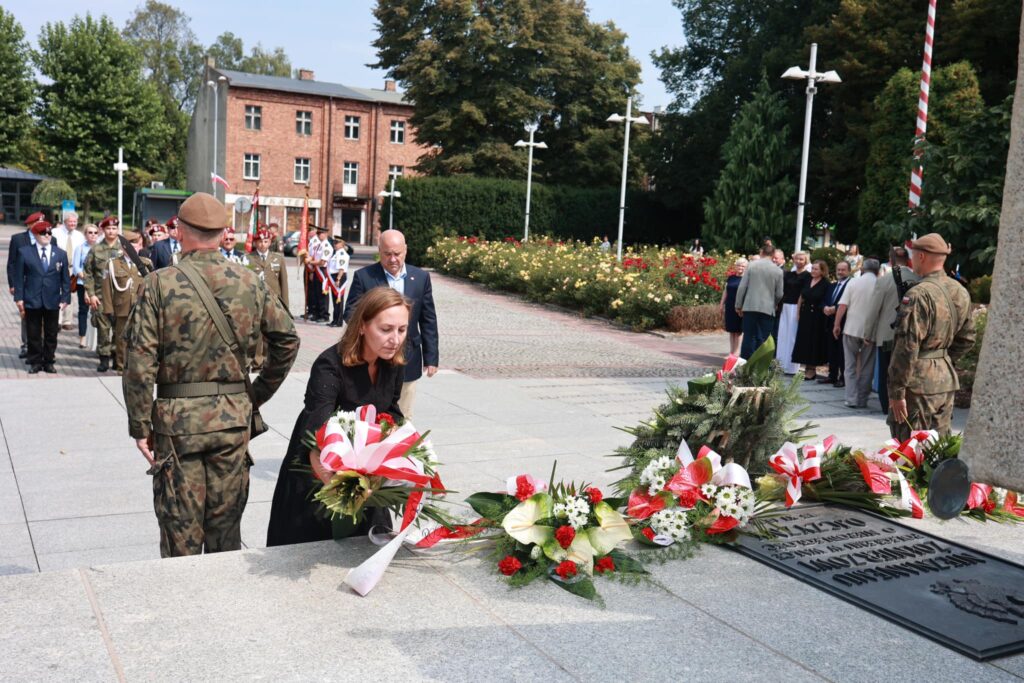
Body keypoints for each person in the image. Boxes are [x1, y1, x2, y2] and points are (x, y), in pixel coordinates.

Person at [122, 192, 299, 558]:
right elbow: (287, 340)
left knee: (180, 535)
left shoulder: (159, 284)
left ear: (181, 231)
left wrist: (140, 426)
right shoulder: (250, 281)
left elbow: (139, 362)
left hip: (177, 425)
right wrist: (256, 392)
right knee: (225, 533)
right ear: (222, 233)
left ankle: (185, 610)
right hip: (232, 420)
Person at [267, 287, 409, 546]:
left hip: (366, 469)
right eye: (386, 329)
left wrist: (404, 451)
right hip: (319, 465)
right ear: (363, 326)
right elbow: (317, 426)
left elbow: (392, 411)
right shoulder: (330, 364)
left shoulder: (393, 363)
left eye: (402, 330)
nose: (395, 339)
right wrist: (342, 479)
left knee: (364, 545)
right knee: (309, 545)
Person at [887, 233, 975, 441]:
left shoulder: (918, 295)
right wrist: (940, 361)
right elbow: (968, 338)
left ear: (922, 257)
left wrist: (897, 393)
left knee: (910, 449)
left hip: (916, 384)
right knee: (939, 447)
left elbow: (906, 347)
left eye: (913, 254)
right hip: (944, 380)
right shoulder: (960, 291)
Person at [344, 229, 438, 418]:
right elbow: (350, 314)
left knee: (403, 415)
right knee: (372, 414)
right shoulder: (365, 277)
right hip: (373, 359)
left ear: (405, 251)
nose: (393, 259)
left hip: (408, 357)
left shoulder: (420, 278)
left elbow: (428, 319)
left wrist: (431, 358)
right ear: (379, 251)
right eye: (387, 254)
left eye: (397, 254)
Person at [863, 246, 919, 414]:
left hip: (887, 335)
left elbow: (874, 309)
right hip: (911, 335)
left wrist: (868, 334)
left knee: (886, 373)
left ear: (891, 258)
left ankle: (886, 407)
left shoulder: (884, 280)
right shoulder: (918, 279)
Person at [14, 219, 71, 374]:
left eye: (49, 232)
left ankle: (49, 361)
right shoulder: (25, 252)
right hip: (32, 298)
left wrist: (65, 298)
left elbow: (65, 278)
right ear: (35, 234)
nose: (47, 235)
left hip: (52, 299)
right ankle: (35, 361)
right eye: (43, 233)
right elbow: (18, 277)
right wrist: (19, 298)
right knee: (33, 333)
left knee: (51, 333)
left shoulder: (60, 254)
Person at [834, 257, 880, 408]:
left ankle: (851, 398)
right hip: (871, 331)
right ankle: (862, 399)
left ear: (862, 269)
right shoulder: (880, 283)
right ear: (877, 270)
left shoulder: (853, 282)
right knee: (867, 366)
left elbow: (842, 305)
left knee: (850, 366)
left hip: (851, 328)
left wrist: (837, 324)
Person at [105, 230, 150, 374]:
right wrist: (108, 309)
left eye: (138, 244)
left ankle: (139, 367)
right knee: (122, 339)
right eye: (132, 244)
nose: (135, 247)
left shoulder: (145, 263)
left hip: (141, 308)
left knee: (141, 339)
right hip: (122, 306)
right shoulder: (113, 264)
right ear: (124, 247)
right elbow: (107, 287)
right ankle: (121, 367)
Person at [83, 216, 124, 373]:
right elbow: (88, 273)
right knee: (103, 328)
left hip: (120, 296)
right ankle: (103, 358)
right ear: (103, 230)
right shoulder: (95, 249)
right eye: (108, 228)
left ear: (117, 230)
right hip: (100, 296)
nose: (111, 231)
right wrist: (91, 294)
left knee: (119, 328)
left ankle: (116, 356)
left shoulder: (123, 249)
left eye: (114, 228)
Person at [249, 228, 290, 371]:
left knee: (271, 331)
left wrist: (285, 305)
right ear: (255, 243)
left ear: (270, 242)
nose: (262, 244)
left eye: (265, 241)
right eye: (259, 241)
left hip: (273, 301)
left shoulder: (278, 258)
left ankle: (268, 360)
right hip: (256, 301)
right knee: (258, 333)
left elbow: (283, 283)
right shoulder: (248, 258)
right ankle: (257, 362)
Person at [735, 241, 783, 359]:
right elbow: (779, 293)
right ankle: (759, 367)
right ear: (773, 255)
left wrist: (738, 304)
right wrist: (774, 303)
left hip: (750, 306)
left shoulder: (751, 265)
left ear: (761, 252)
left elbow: (742, 287)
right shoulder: (778, 271)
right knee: (763, 338)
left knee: (748, 336)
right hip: (768, 308)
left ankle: (746, 365)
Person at [9, 211, 45, 361]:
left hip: (44, 285)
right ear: (30, 224)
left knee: (44, 316)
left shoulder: (49, 238)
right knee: (26, 315)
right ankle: (26, 344)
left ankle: (40, 345)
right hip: (24, 284)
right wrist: (13, 284)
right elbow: (11, 263)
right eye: (39, 222)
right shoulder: (18, 239)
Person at [791, 260, 831, 380]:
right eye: (812, 268)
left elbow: (825, 300)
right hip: (805, 314)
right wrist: (798, 313)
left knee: (813, 341)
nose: (813, 271)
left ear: (822, 271)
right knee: (804, 341)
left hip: (818, 316)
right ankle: (806, 367)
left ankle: (812, 369)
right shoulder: (808, 280)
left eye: (816, 269)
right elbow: (801, 297)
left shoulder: (825, 284)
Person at [776, 252, 811, 374]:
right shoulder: (788, 274)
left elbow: (804, 294)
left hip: (795, 307)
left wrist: (798, 311)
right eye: (797, 259)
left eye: (801, 259)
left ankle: (791, 368)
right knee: (782, 336)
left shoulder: (807, 276)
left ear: (805, 261)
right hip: (785, 306)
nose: (799, 261)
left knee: (792, 337)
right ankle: (780, 365)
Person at [51, 211, 85, 331]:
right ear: (65, 221)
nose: (73, 224)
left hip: (73, 268)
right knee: (57, 293)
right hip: (58, 266)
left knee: (70, 294)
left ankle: (67, 320)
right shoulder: (55, 232)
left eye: (75, 222)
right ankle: (58, 321)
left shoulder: (80, 235)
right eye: (70, 221)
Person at [820, 260, 851, 387]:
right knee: (832, 350)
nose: (840, 272)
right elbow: (823, 300)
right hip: (829, 322)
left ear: (849, 271)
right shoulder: (832, 286)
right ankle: (832, 376)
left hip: (844, 322)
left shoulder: (851, 285)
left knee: (842, 352)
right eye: (838, 269)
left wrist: (836, 309)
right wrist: (824, 308)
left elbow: (850, 302)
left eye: (843, 270)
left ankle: (843, 378)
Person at [71, 224, 100, 348]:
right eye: (90, 232)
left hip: (98, 284)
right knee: (83, 310)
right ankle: (82, 337)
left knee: (98, 311)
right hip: (83, 283)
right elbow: (76, 266)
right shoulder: (81, 248)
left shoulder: (101, 248)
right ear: (85, 234)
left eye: (95, 233)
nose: (93, 235)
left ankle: (97, 339)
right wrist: (85, 277)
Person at [719, 257, 747, 356]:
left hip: (740, 307)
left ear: (746, 267)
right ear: (736, 266)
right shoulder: (731, 277)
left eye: (743, 266)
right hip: (730, 306)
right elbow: (725, 291)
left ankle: (737, 352)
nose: (740, 267)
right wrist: (722, 304)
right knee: (731, 330)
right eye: (739, 265)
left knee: (738, 330)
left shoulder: (746, 279)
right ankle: (731, 352)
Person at [306, 226, 333, 322]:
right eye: (317, 234)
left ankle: (324, 315)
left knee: (323, 294)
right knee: (316, 293)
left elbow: (322, 262)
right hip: (317, 270)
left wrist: (310, 262)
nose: (318, 235)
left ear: (325, 234)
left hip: (323, 271)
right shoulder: (319, 245)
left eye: (320, 234)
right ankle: (317, 314)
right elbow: (314, 257)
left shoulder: (327, 246)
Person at [327, 237, 350, 327]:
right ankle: (335, 320)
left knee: (338, 300)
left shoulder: (342, 254)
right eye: (334, 242)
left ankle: (339, 321)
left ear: (342, 244)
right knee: (334, 300)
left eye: (337, 242)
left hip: (339, 277)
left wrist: (338, 279)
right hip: (334, 277)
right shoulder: (336, 253)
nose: (334, 244)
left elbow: (341, 268)